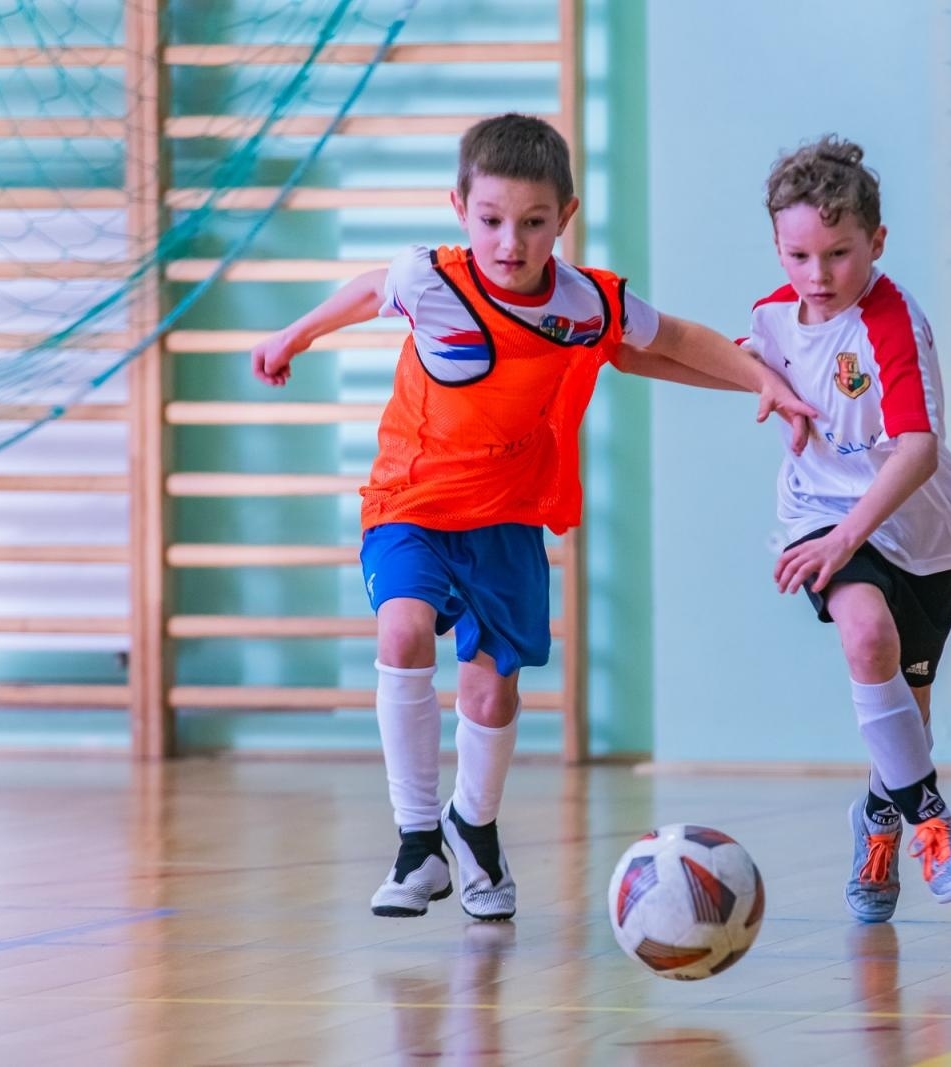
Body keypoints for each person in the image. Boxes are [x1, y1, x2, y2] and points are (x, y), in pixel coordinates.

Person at [250, 113, 814, 922]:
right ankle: (417, 842)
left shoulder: (585, 302)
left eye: (533, 223)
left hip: (508, 520)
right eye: (490, 221)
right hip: (409, 505)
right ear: (459, 207)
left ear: (566, 217)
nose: (509, 241)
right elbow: (371, 289)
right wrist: (294, 333)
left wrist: (760, 382)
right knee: (401, 630)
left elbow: (668, 342)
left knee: (489, 695)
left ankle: (471, 827)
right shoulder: (430, 279)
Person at [620, 135, 951, 922]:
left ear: (876, 243)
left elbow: (917, 451)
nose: (817, 277)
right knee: (865, 636)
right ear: (777, 247)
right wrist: (610, 349)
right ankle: (930, 819)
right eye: (798, 256)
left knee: (907, 707)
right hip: (820, 516)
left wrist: (851, 536)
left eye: (839, 255)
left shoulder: (891, 324)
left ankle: (878, 816)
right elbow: (700, 358)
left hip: (912, 526)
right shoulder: (778, 317)